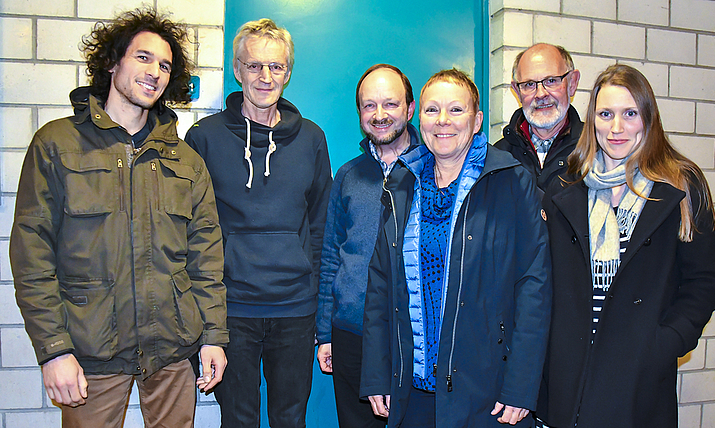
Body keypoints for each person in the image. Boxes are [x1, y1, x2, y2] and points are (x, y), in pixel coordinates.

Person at [9, 7, 228, 428]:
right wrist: (54, 349)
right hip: (91, 353)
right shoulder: (57, 145)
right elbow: (31, 255)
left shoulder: (186, 161)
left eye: (165, 65)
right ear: (112, 62)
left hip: (172, 351)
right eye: (143, 57)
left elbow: (207, 261)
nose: (155, 72)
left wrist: (214, 337)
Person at [360, 69, 551, 427]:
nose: (442, 121)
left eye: (456, 110)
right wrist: (375, 373)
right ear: (420, 117)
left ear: (477, 120)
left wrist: (522, 385)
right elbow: (380, 284)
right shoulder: (402, 183)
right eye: (432, 110)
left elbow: (534, 287)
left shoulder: (511, 182)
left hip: (488, 392)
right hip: (412, 391)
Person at [538, 64, 715, 428]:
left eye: (629, 114)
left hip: (637, 382)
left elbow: (703, 281)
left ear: (648, 118)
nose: (617, 128)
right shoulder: (564, 187)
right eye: (606, 114)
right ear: (592, 120)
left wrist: (663, 343)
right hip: (567, 382)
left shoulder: (680, 186)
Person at [184, 18, 332, 428]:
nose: (265, 77)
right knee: (238, 420)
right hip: (232, 310)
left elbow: (321, 228)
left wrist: (321, 308)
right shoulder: (204, 137)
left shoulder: (312, 139)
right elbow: (192, 233)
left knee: (291, 419)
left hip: (295, 309)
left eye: (277, 67)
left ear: (288, 71)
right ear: (237, 70)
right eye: (254, 66)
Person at [316, 64, 420, 428]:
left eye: (390, 104)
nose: (379, 115)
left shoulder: (435, 172)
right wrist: (325, 333)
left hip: (413, 339)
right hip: (351, 336)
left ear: (409, 109)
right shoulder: (348, 175)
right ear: (360, 113)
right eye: (369, 106)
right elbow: (330, 256)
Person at [494, 43, 582, 190]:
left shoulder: (595, 150)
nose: (541, 94)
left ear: (572, 83)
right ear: (517, 90)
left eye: (551, 81)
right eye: (529, 84)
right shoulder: (498, 158)